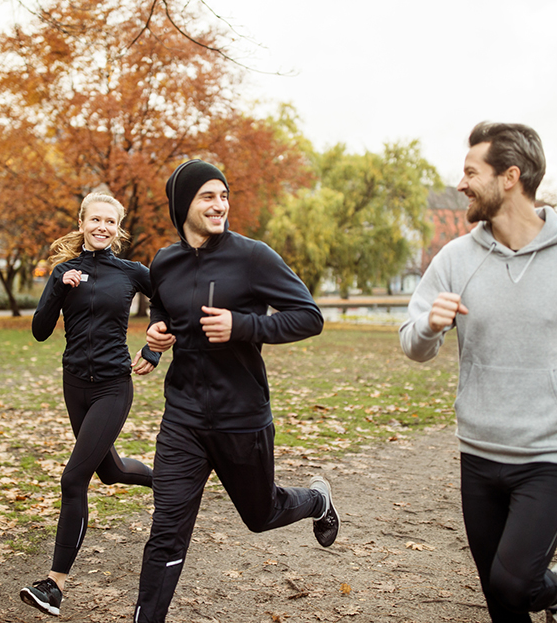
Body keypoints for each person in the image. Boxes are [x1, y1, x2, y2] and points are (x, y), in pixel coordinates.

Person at [400, 122, 557, 623]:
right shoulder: (455, 257)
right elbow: (413, 344)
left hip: (547, 453)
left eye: (471, 172)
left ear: (511, 176)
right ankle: (549, 594)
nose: (461, 184)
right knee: (499, 599)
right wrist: (428, 325)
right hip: (479, 451)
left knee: (515, 582)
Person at [133, 160, 339, 623]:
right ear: (182, 204)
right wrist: (156, 339)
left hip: (240, 418)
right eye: (208, 196)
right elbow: (163, 312)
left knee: (260, 514)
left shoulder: (252, 256)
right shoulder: (164, 262)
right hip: (182, 417)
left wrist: (243, 325)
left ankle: (317, 500)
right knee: (166, 531)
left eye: (223, 195)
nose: (219, 204)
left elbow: (309, 316)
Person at [20, 193, 161, 617]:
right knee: (111, 470)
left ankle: (54, 586)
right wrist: (57, 291)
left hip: (113, 387)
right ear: (82, 223)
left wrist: (155, 348)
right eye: (94, 219)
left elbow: (168, 301)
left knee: (73, 478)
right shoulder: (65, 271)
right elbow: (40, 330)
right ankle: (171, 484)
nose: (102, 226)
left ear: (118, 229)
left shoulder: (133, 272)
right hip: (74, 385)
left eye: (110, 221)